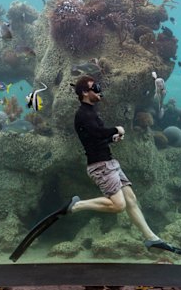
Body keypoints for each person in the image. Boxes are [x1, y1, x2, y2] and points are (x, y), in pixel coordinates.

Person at [66, 75, 170, 250]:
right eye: (95, 88)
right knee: (118, 205)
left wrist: (112, 139)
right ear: (84, 92)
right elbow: (97, 133)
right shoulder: (82, 113)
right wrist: (116, 129)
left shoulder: (90, 112)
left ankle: (151, 238)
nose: (99, 91)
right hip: (100, 166)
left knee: (131, 200)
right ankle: (77, 206)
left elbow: (94, 138)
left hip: (109, 163)